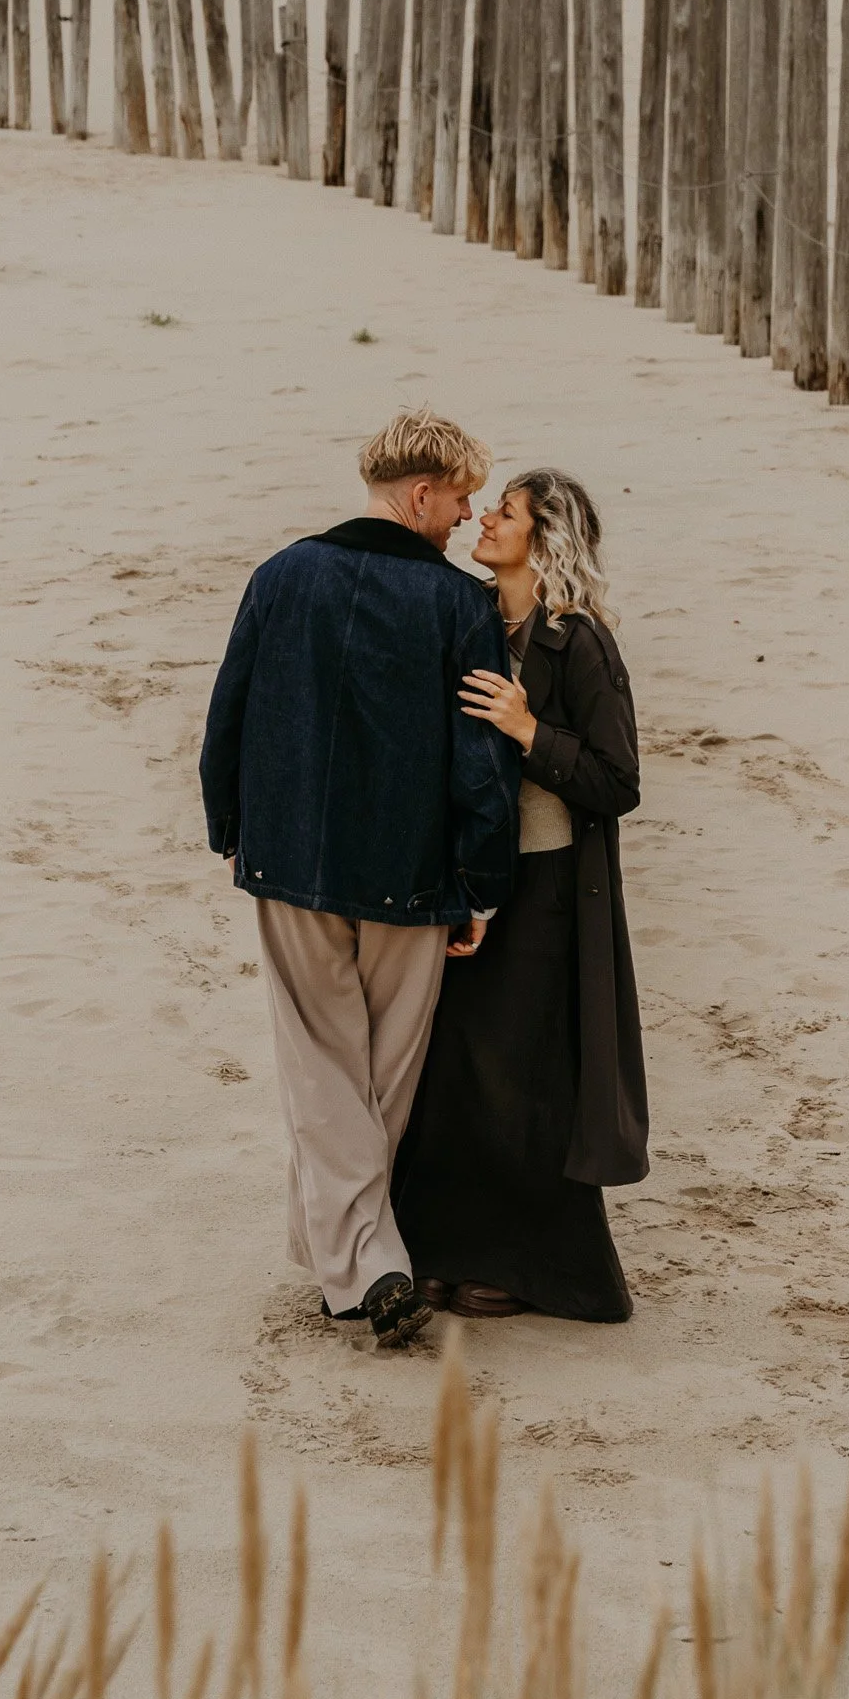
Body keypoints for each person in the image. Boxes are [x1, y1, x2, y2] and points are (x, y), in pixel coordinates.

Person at [200, 411, 520, 1351]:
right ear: (421, 494)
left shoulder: (282, 574)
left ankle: (349, 1260)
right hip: (411, 878)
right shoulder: (459, 608)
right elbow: (480, 764)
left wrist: (232, 829)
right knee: (379, 1081)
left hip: (290, 862)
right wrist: (482, 883)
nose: (467, 519)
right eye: (461, 501)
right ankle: (371, 1265)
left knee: (320, 1068)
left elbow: (229, 711)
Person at [392, 468, 648, 1322]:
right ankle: (439, 1251)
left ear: (545, 540)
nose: (485, 520)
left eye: (505, 514)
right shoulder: (468, 616)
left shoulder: (580, 643)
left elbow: (617, 781)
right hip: (465, 880)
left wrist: (528, 729)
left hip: (546, 889)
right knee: (447, 1071)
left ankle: (528, 1264)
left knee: (525, 1076)